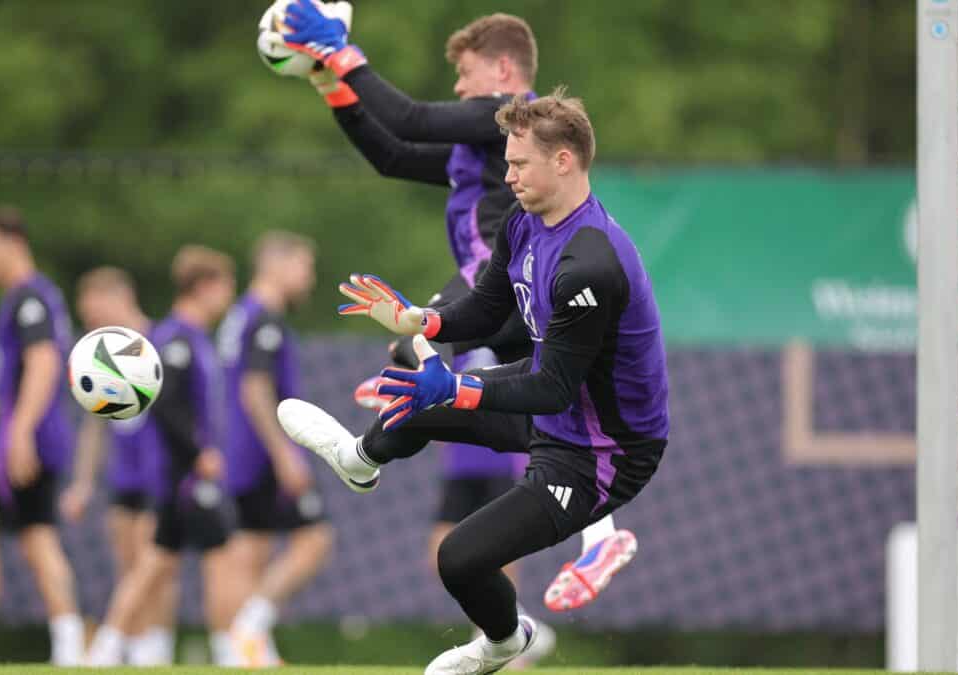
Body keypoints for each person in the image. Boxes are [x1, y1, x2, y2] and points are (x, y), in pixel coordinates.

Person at [278, 90, 669, 674]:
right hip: (558, 407)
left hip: (602, 451)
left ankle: (505, 642)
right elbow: (486, 308)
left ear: (563, 161)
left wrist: (460, 389)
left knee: (458, 559)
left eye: (518, 164)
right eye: (506, 163)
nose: (506, 175)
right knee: (416, 403)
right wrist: (421, 321)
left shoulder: (589, 265)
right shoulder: (524, 222)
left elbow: (551, 388)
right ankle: (359, 459)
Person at [85, 246, 237, 666]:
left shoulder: (191, 337)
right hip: (180, 472)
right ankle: (232, 650)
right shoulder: (176, 338)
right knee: (221, 554)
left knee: (156, 562)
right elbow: (167, 404)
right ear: (204, 287)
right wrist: (198, 453)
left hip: (179, 471)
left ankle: (110, 646)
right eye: (226, 287)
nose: (228, 298)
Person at [0, 207, 84, 665]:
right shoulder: (26, 300)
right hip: (19, 435)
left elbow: (44, 363)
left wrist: (20, 432)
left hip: (28, 442)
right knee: (13, 535)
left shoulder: (31, 299)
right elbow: (17, 380)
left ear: (13, 243)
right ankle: (66, 644)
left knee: (1, 535)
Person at [216, 231, 333, 667]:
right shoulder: (264, 319)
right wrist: (284, 453)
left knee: (250, 550)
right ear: (277, 265)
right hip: (264, 452)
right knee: (315, 539)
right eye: (304, 267)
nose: (309, 278)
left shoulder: (238, 316)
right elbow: (254, 387)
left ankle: (245, 649)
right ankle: (250, 626)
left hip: (240, 452)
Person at [60, 267, 178, 665]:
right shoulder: (98, 356)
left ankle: (155, 649)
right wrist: (82, 483)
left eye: (95, 311)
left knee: (153, 567)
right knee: (128, 566)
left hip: (159, 473)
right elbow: (95, 425)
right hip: (123, 475)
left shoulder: (162, 342)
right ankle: (136, 645)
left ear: (119, 297)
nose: (91, 321)